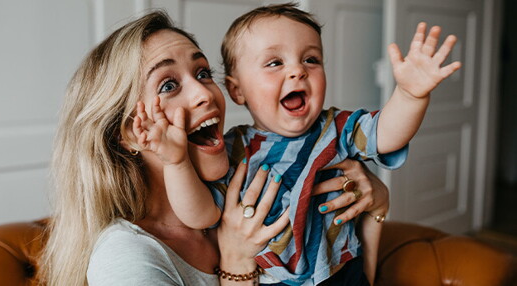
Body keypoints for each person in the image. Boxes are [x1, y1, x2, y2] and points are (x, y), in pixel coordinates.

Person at [38, 9, 391, 286]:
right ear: (131, 133)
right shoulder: (127, 256)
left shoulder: (247, 194)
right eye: (169, 85)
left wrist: (376, 206)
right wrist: (237, 265)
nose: (206, 93)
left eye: (203, 73)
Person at [132, 3, 461, 286]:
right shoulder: (234, 151)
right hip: (274, 279)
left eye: (311, 60)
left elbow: (387, 133)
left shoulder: (336, 127)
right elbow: (200, 214)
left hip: (343, 269)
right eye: (275, 63)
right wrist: (177, 163)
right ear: (237, 91)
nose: (297, 71)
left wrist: (410, 95)